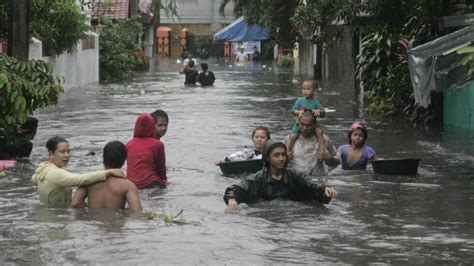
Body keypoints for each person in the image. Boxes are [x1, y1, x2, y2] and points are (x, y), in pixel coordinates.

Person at [223, 140, 338, 212]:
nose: (281, 158)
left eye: (283, 155)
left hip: (292, 213)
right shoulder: (258, 178)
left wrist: (325, 189)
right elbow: (235, 189)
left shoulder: (294, 175)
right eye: (276, 155)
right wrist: (232, 199)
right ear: (268, 158)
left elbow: (312, 185)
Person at [31, 136, 125, 207]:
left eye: (68, 151)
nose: (67, 155)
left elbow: (34, 179)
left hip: (48, 215)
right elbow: (80, 180)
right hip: (56, 219)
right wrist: (108, 172)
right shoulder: (56, 173)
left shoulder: (44, 168)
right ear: (51, 154)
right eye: (62, 152)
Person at [71, 141, 142, 212]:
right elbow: (136, 211)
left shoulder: (90, 180)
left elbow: (75, 204)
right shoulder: (128, 185)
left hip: (93, 222)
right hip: (115, 222)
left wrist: (90, 208)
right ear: (124, 161)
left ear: (103, 158)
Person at [285, 109, 340, 176]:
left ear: (314, 124)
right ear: (298, 122)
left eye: (308, 125)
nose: (304, 128)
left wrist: (329, 159)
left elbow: (337, 163)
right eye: (302, 124)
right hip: (297, 182)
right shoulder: (289, 140)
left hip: (318, 181)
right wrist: (285, 160)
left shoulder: (324, 139)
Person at [126, 114, 167, 189]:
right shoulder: (158, 144)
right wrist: (164, 183)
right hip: (151, 184)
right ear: (152, 127)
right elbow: (161, 171)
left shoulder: (128, 144)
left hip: (131, 185)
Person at [286, 79, 327, 154]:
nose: (305, 91)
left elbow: (323, 113)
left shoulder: (316, 102)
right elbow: (293, 111)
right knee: (292, 136)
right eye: (303, 89)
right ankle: (287, 152)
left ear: (314, 91)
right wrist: (298, 112)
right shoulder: (300, 101)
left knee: (319, 132)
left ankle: (322, 151)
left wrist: (319, 111)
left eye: (308, 89)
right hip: (299, 123)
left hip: (312, 124)